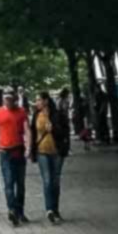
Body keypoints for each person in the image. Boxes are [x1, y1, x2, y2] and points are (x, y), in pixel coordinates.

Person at [31, 88, 71, 224]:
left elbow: (65, 133)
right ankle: (49, 210)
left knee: (55, 181)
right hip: (42, 151)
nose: (36, 102)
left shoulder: (57, 115)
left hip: (56, 151)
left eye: (38, 100)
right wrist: (31, 151)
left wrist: (53, 128)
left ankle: (56, 209)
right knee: (47, 180)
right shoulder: (36, 116)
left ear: (45, 101)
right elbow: (32, 134)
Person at [0, 88, 29, 225]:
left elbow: (27, 130)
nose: (8, 100)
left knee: (21, 184)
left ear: (14, 99)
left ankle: (20, 211)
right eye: (6, 98)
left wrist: (29, 147)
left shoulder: (21, 112)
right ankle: (12, 209)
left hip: (18, 150)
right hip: (4, 151)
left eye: (10, 98)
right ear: (3, 99)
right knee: (8, 182)